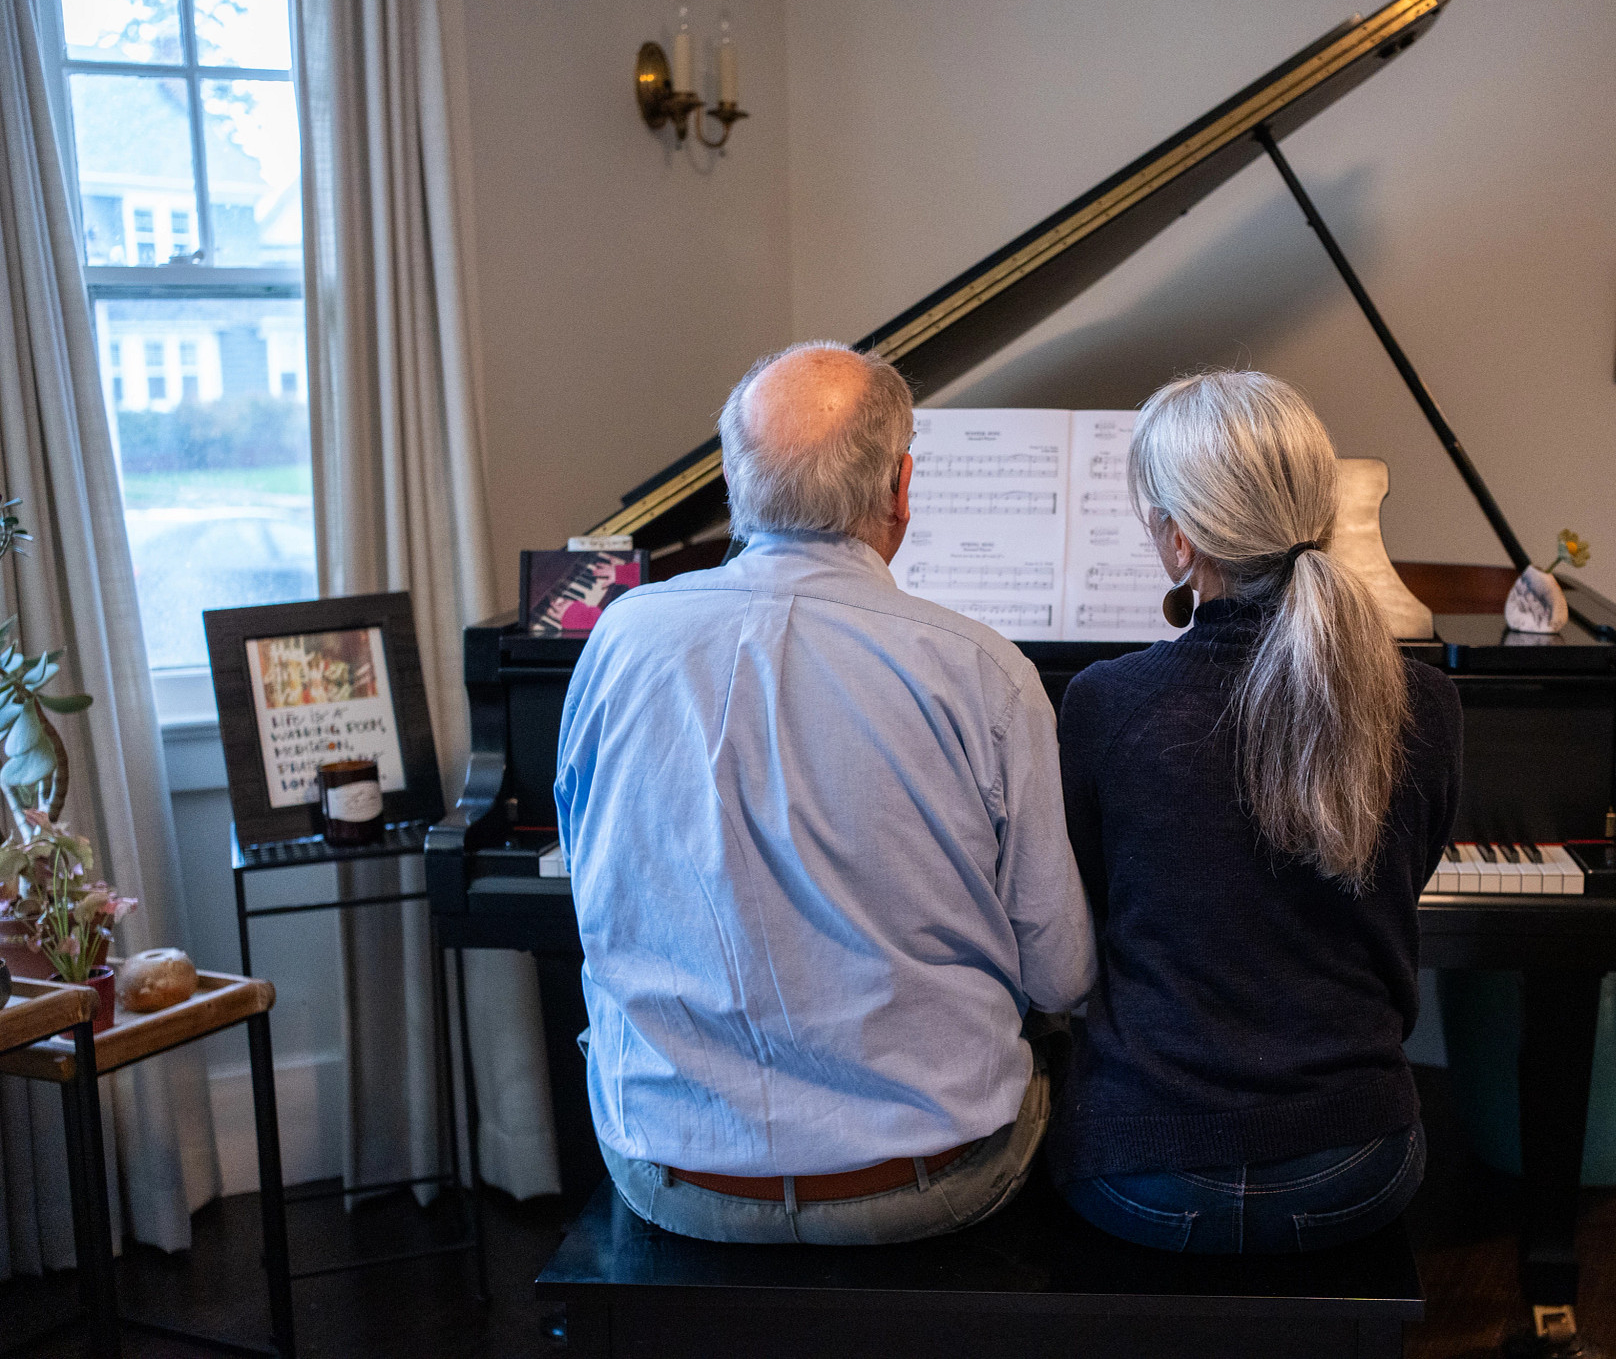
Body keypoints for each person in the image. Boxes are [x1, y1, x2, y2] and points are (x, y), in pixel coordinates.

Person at [554, 340, 1095, 1246]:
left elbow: (590, 879)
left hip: (673, 1170)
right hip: (931, 1179)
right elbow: (1060, 975)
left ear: (734, 485)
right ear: (901, 490)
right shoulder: (983, 671)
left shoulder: (620, 640)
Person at [1049, 370, 1462, 1254]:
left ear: (1180, 540)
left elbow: (1092, 911)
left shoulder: (1105, 704)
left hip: (1143, 1173)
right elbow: (1406, 876)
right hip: (1355, 1164)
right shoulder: (1425, 702)